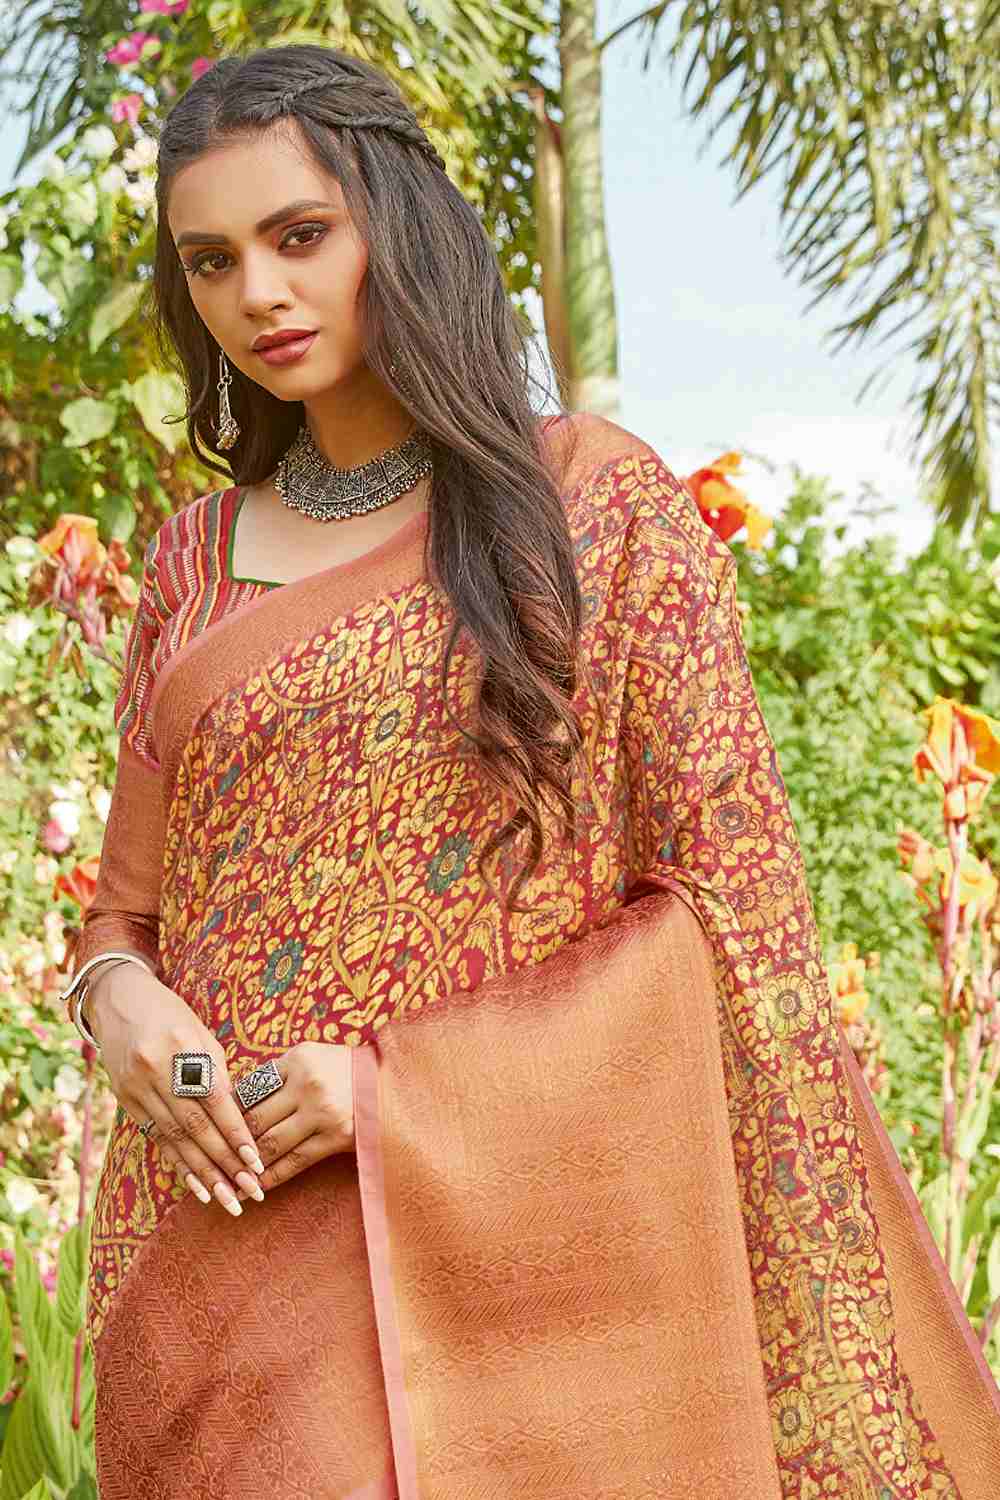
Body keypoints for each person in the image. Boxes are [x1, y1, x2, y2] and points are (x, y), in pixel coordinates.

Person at [60, 40, 999, 1500]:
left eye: (300, 236)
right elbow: (123, 915)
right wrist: (120, 1006)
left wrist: (396, 1092)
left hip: (531, 1281)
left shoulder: (589, 508)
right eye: (212, 261)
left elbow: (723, 910)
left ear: (395, 226)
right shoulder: (194, 559)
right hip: (241, 1271)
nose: (259, 295)